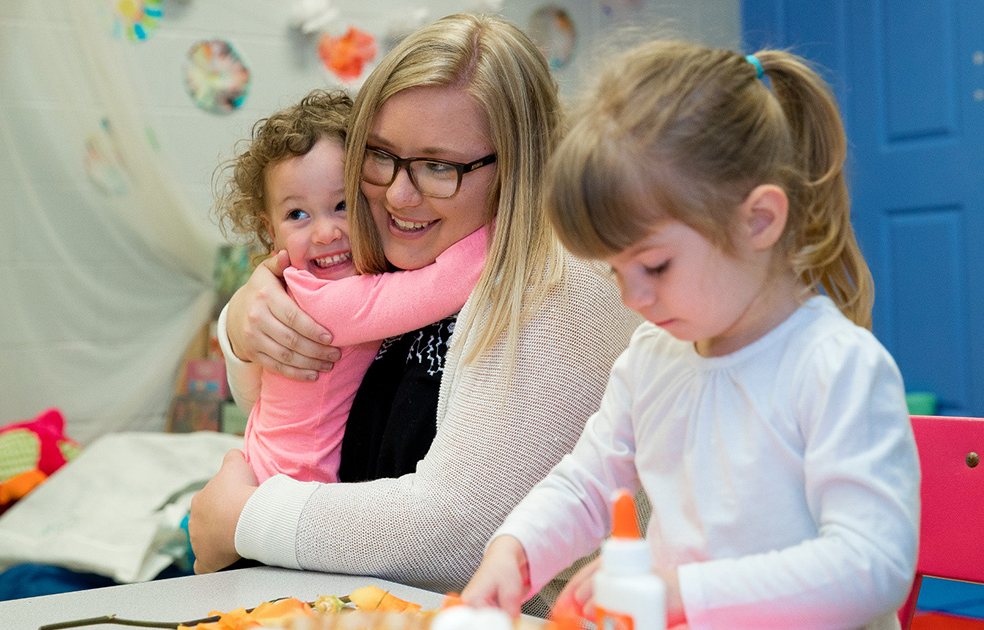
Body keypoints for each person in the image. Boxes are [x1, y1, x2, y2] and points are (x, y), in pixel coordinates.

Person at [188, 12, 643, 612]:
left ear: (517, 165)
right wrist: (243, 325)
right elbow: (310, 410)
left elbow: (456, 532)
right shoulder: (410, 249)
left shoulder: (561, 285)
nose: (399, 194)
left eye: (439, 166)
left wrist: (240, 517)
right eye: (380, 156)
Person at [461, 41, 920, 629]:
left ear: (758, 220)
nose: (633, 298)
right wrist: (517, 550)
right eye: (615, 271)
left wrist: (682, 591)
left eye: (654, 267)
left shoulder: (836, 367)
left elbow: (871, 565)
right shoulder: (652, 356)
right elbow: (590, 482)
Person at [212, 89, 486, 484]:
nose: (325, 233)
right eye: (297, 214)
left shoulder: (352, 278)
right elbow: (445, 285)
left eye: (342, 205)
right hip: (291, 490)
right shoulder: (321, 301)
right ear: (270, 231)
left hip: (276, 480)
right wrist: (508, 225)